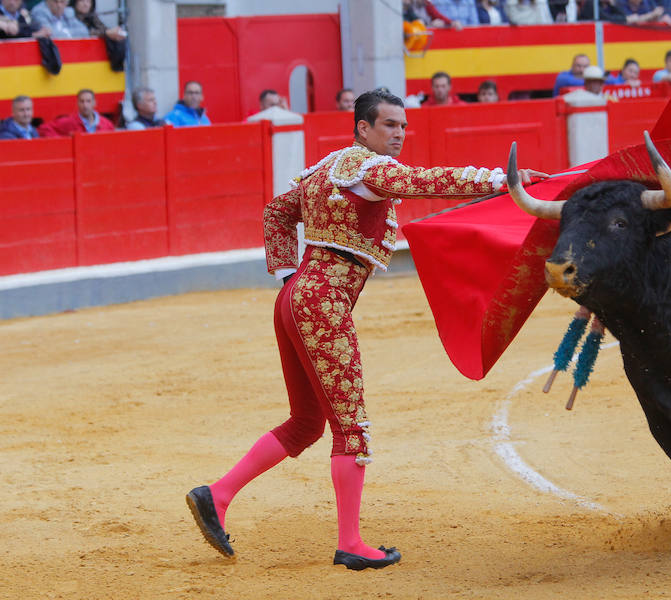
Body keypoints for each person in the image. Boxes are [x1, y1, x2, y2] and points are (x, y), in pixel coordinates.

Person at [185, 88, 546, 568]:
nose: (398, 134)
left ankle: (218, 495)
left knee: (307, 423)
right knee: (350, 428)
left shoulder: (328, 168)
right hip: (324, 305)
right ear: (363, 128)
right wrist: (505, 181)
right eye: (389, 125)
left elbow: (277, 211)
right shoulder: (373, 169)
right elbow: (428, 180)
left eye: (403, 126)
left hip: (296, 300)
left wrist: (288, 277)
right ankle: (350, 543)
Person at [37, 88, 114, 137]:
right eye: (82, 101)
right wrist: (65, 141)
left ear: (95, 103)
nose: (85, 105)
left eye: (88, 101)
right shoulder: (69, 122)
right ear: (77, 103)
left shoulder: (107, 125)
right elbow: (43, 129)